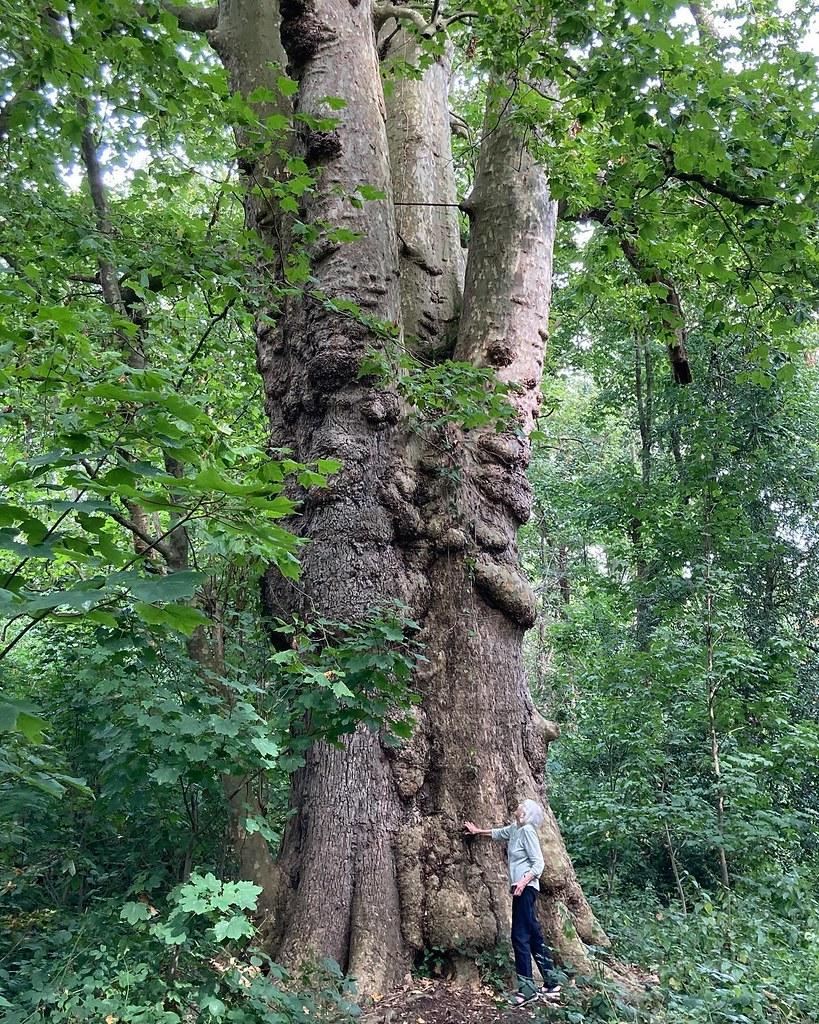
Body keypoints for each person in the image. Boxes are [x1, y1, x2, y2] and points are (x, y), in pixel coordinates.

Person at [464, 800, 560, 1006]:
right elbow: (498, 833)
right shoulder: (515, 829)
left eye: (521, 806)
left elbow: (539, 863)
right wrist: (477, 831)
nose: (517, 806)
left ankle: (527, 990)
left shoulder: (527, 831)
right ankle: (551, 983)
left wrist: (524, 881)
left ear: (525, 814)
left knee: (520, 936)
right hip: (523, 890)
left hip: (525, 890)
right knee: (534, 935)